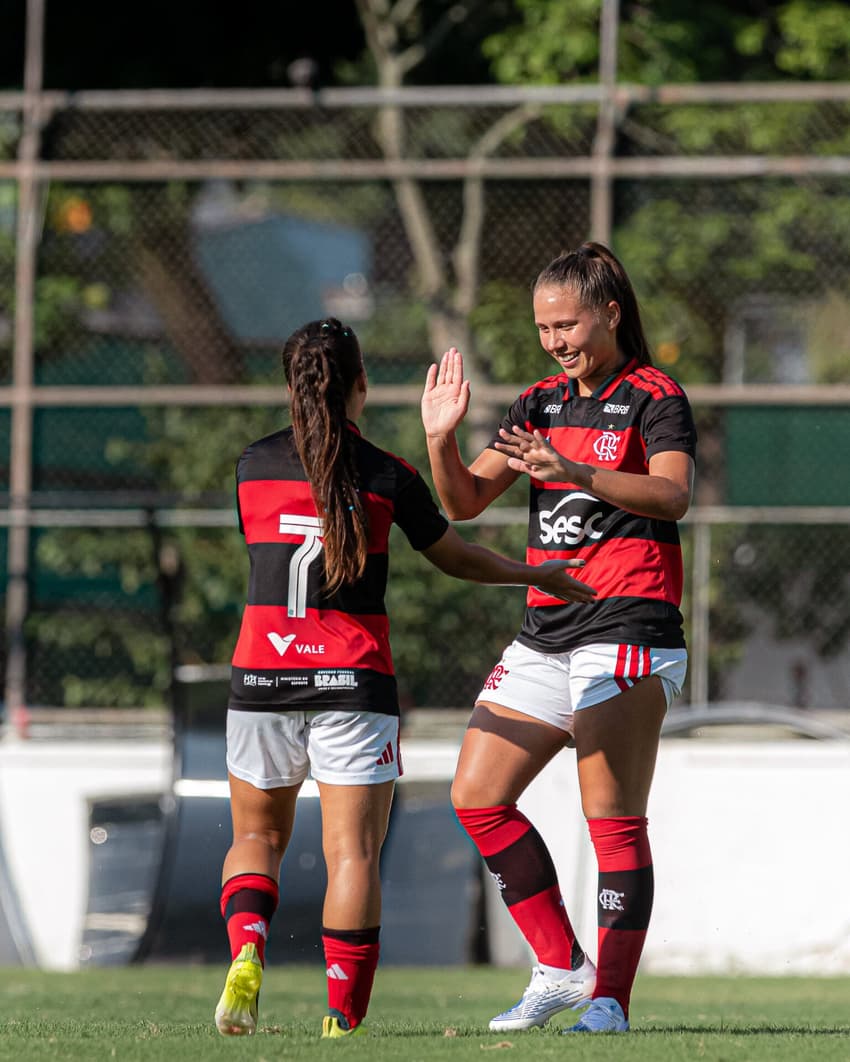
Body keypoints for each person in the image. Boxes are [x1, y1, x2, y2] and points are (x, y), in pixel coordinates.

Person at [213, 317, 597, 1040]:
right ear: (361, 384)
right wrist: (534, 574)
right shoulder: (388, 474)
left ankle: (248, 950)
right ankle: (341, 1017)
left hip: (261, 678)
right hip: (352, 685)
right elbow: (457, 556)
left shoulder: (252, 466)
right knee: (352, 855)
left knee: (256, 837)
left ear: (292, 386)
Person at [420, 242, 697, 1034]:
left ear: (609, 313)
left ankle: (610, 1001)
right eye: (543, 328)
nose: (555, 342)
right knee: (477, 795)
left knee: (611, 817)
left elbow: (673, 495)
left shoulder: (654, 396)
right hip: (547, 632)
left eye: (567, 325)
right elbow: (465, 502)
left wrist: (574, 471)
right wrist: (440, 439)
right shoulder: (537, 403)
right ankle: (561, 968)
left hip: (628, 623)